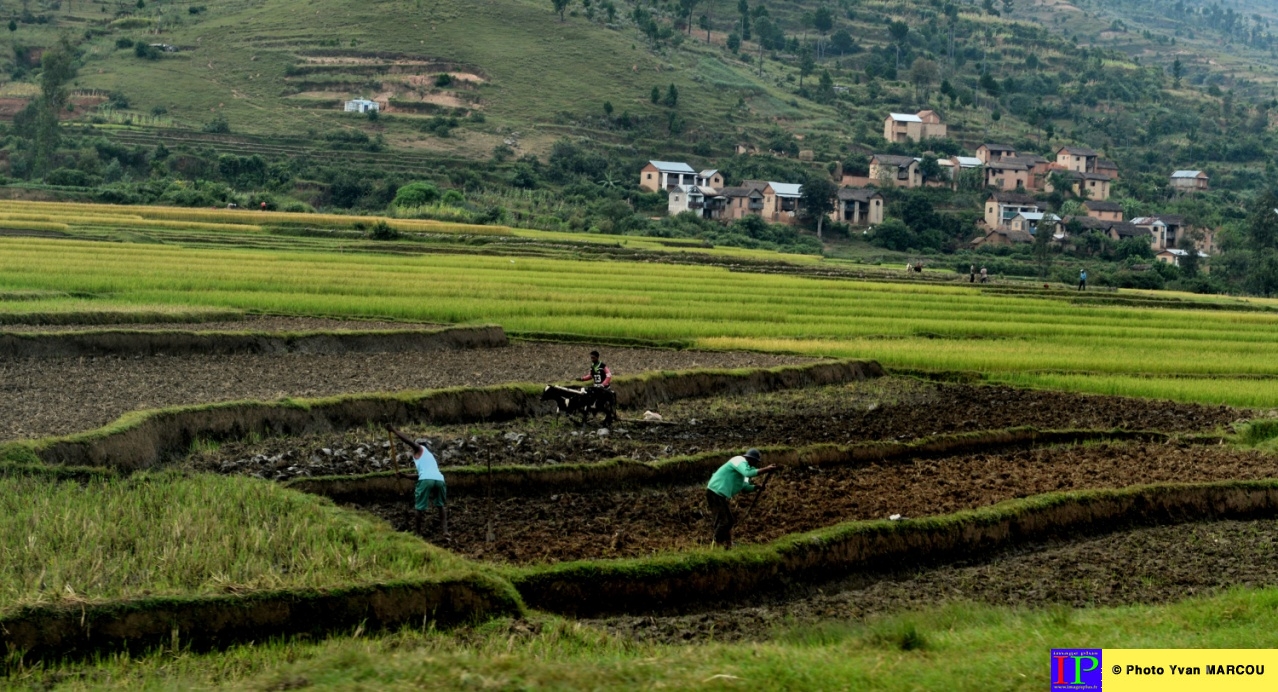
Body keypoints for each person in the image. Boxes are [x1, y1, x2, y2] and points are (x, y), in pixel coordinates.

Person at [705, 448, 777, 549]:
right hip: (714, 492)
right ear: (749, 458)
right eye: (755, 462)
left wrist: (755, 487)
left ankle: (728, 544)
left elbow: (744, 488)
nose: (755, 465)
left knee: (729, 521)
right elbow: (748, 473)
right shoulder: (739, 461)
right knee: (724, 521)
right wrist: (766, 469)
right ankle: (715, 545)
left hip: (720, 495)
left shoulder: (744, 470)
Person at [386, 424, 448, 539]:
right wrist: (404, 475)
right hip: (439, 480)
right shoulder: (429, 456)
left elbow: (407, 441)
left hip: (427, 480)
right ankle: (445, 532)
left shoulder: (420, 449)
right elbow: (421, 475)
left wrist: (394, 430)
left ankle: (418, 534)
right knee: (441, 506)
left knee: (419, 508)